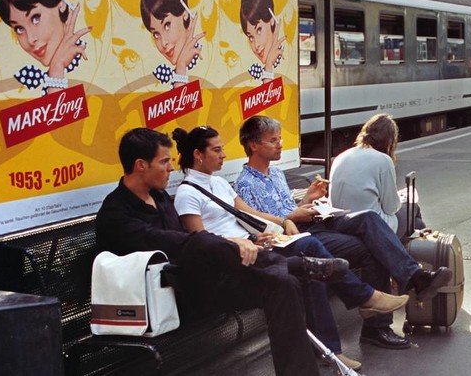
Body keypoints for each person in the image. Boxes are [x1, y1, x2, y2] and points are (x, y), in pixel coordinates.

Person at [95, 127, 355, 376]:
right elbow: (171, 241)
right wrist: (231, 243)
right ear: (141, 165)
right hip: (164, 301)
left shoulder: (160, 197)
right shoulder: (115, 213)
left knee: (282, 284)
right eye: (164, 162)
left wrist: (243, 240)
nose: (171, 168)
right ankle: (295, 264)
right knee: (201, 241)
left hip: (197, 282)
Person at [172, 125, 410, 370]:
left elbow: (251, 215)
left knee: (316, 266)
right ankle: (364, 298)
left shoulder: (219, 184)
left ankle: (338, 343)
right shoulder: (187, 194)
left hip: (258, 243)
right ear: (198, 155)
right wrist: (247, 239)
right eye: (217, 150)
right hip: (234, 258)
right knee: (310, 249)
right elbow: (200, 242)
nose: (223, 155)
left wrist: (279, 224)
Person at [234, 115, 452, 350]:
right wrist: (292, 217)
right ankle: (380, 323)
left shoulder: (276, 174)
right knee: (372, 245)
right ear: (253, 145)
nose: (280, 144)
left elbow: (289, 209)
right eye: (273, 141)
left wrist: (309, 199)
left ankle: (413, 279)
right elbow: (262, 225)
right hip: (297, 237)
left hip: (314, 221)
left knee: (369, 219)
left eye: (279, 139)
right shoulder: (245, 184)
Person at [329, 113, 425, 241]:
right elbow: (391, 208)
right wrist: (402, 199)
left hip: (341, 224)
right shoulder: (383, 161)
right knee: (413, 207)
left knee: (416, 224)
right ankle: (426, 250)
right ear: (390, 140)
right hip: (372, 228)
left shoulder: (341, 156)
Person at [140, 0, 205, 88]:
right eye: (156, 34)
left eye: (167, 25)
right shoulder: (162, 76)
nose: (163, 43)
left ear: (185, 12)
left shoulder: (206, 59)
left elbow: (183, 108)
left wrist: (181, 67)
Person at [240, 0, 285, 83]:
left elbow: (269, 99)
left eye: (259, 30)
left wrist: (268, 66)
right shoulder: (256, 68)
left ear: (272, 20)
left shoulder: (285, 58)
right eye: (251, 37)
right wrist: (268, 65)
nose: (256, 46)